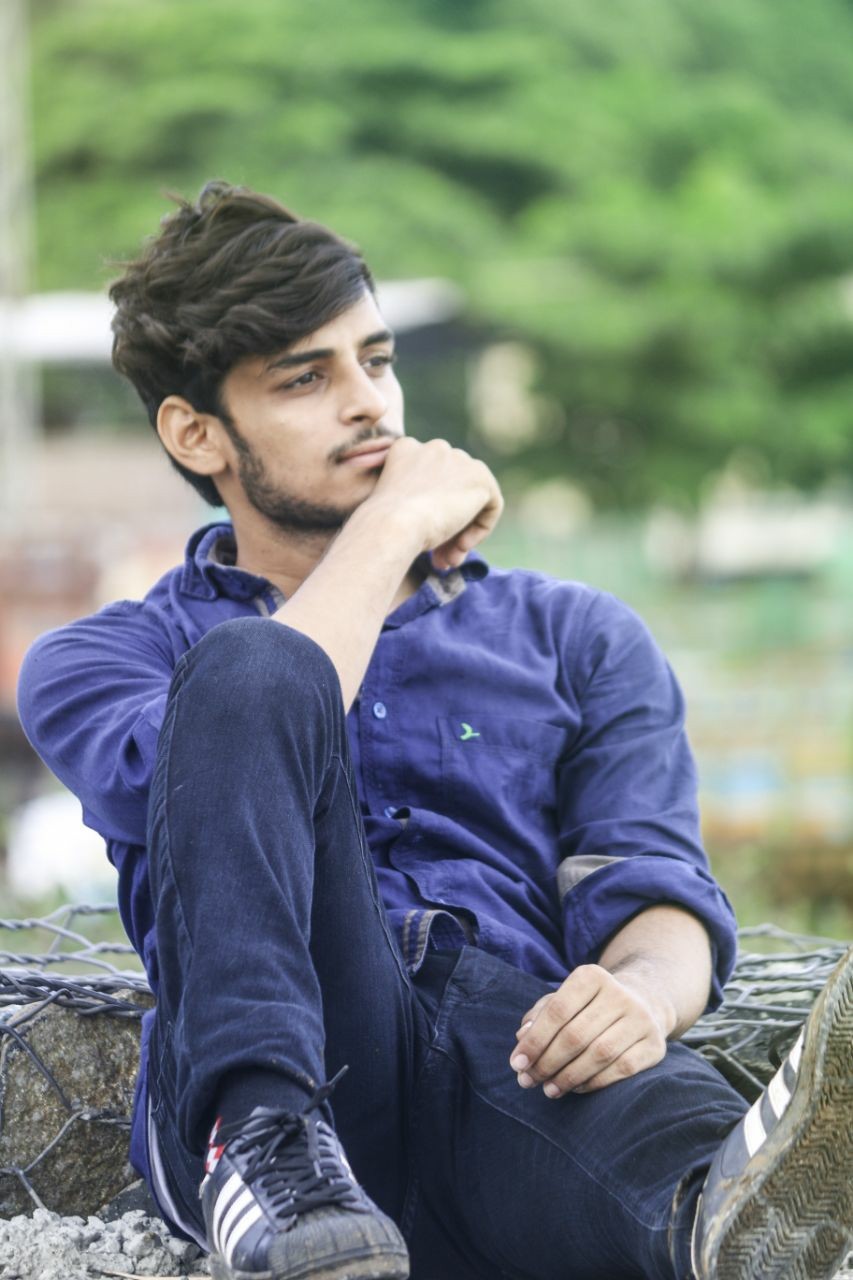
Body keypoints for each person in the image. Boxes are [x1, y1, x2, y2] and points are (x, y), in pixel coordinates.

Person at [17, 181, 852, 1280]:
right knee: (253, 667)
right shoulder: (99, 659)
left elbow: (651, 881)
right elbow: (193, 769)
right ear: (197, 432)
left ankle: (720, 1222)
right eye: (306, 378)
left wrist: (638, 996)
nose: (369, 403)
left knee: (679, 1156)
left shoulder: (574, 636)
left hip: (515, 1070)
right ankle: (259, 1148)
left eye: (376, 360)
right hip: (289, 1067)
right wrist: (394, 523)